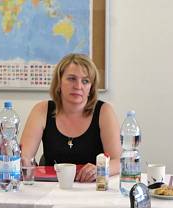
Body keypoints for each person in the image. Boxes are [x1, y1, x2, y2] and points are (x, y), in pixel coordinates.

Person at [20, 53, 121, 182]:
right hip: (52, 187)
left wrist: (100, 169)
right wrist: (23, 163)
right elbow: (24, 159)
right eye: (72, 79)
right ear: (59, 82)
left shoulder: (104, 111)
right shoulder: (41, 109)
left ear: (91, 88)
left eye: (85, 81)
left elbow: (118, 161)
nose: (78, 86)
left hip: (92, 188)